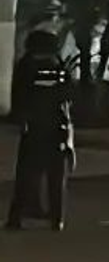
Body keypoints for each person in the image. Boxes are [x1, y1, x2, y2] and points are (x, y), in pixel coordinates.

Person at [6, 30, 75, 231]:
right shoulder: (59, 68)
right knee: (56, 177)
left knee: (26, 175)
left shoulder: (25, 67)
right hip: (57, 128)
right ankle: (56, 218)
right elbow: (68, 95)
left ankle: (16, 218)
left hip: (34, 128)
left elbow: (19, 95)